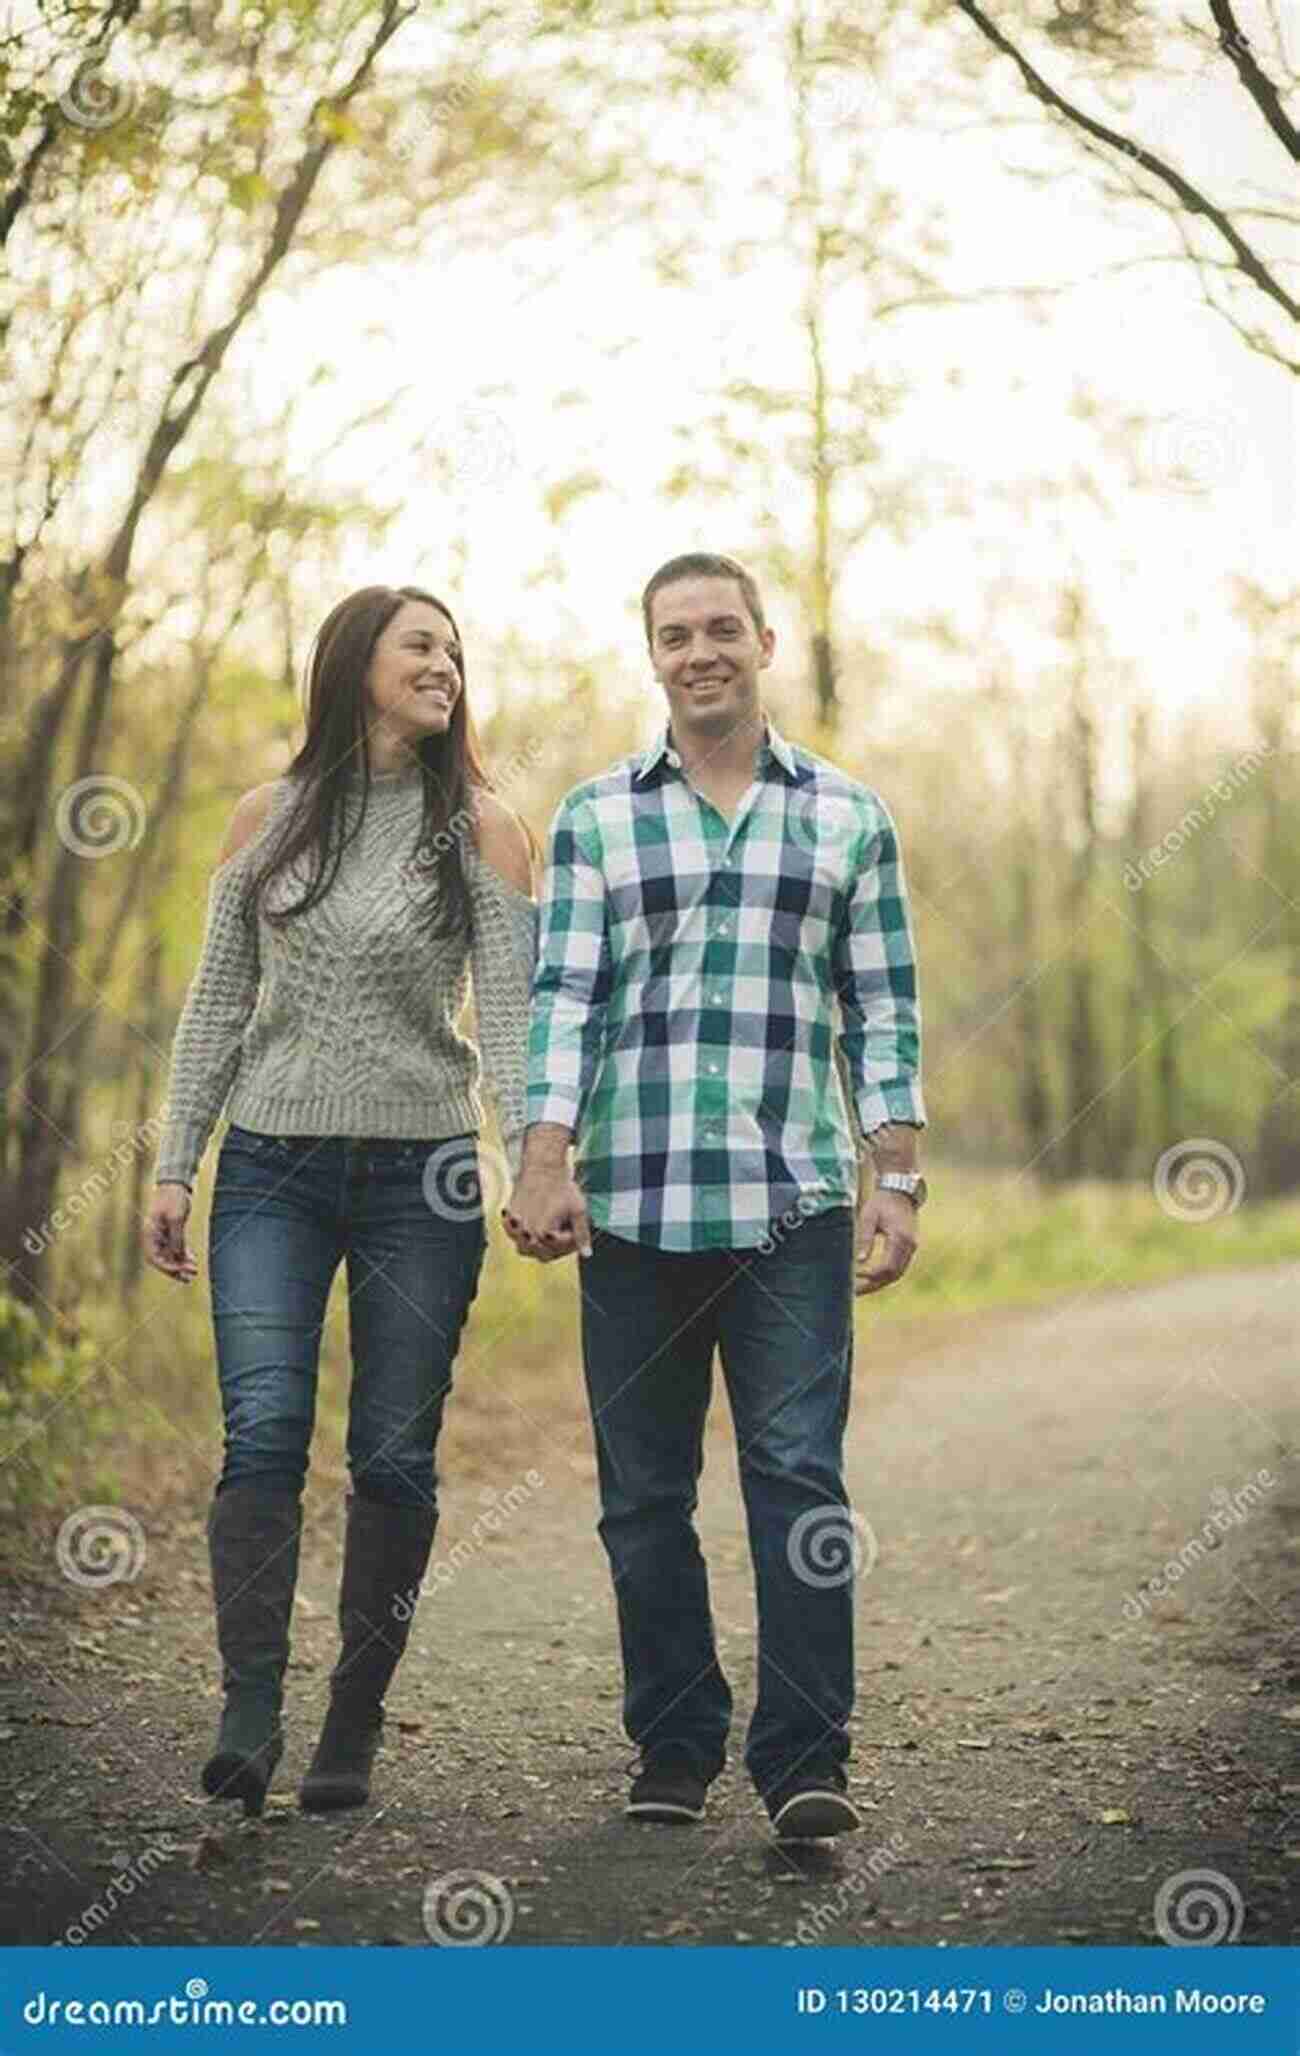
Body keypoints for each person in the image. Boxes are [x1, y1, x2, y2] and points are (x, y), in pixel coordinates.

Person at [504, 552, 926, 1840]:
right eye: (676, 633)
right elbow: (563, 998)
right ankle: (674, 1746)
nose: (701, 651)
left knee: (796, 1476)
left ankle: (806, 1758)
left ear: (764, 642)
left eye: (722, 629)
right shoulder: (592, 817)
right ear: (651, 655)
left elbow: (884, 1011)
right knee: (642, 1494)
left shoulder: (848, 816)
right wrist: (541, 1153)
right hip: (629, 1210)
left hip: (790, 1204)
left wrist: (894, 1178)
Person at [144, 584, 537, 1819]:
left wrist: (533, 1155)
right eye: (422, 643)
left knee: (391, 1450)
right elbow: (216, 1003)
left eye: (456, 650)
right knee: (262, 1432)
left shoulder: (482, 827)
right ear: (354, 661)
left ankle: (352, 1722)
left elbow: (512, 1017)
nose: (446, 664)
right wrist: (174, 1162)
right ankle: (250, 1706)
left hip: (426, 1174)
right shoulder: (267, 820)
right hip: (273, 1168)